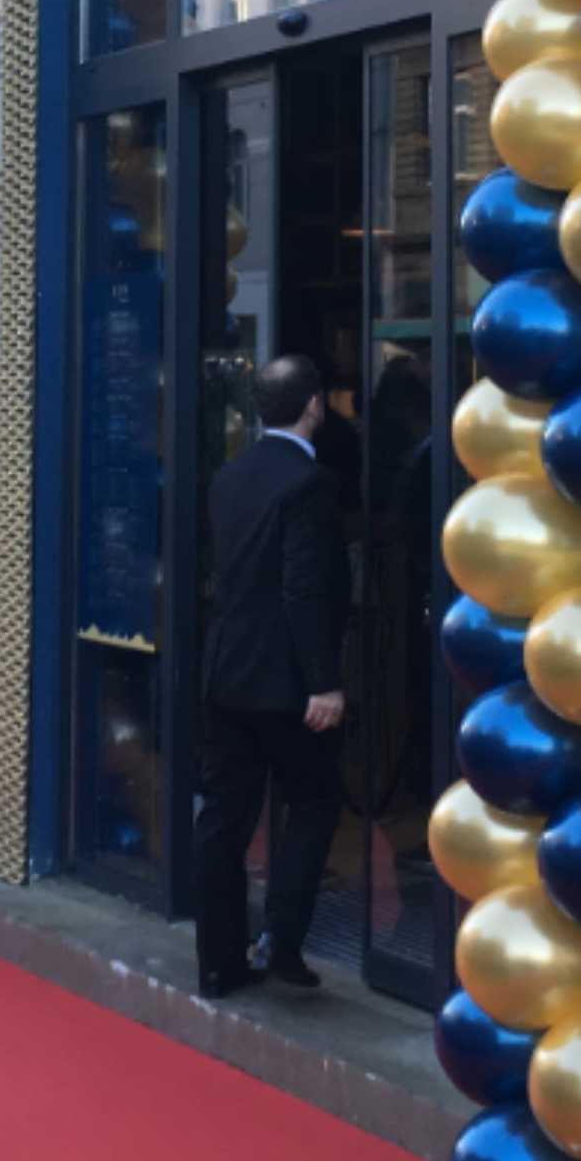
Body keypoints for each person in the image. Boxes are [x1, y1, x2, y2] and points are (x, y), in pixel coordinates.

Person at [192, 354, 352, 997]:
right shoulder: (309, 484)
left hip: (227, 672)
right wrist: (325, 680)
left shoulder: (229, 477)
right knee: (314, 802)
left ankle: (218, 963)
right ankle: (282, 941)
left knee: (223, 820)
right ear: (313, 405)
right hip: (286, 682)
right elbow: (303, 587)